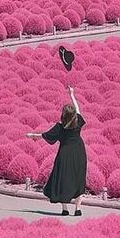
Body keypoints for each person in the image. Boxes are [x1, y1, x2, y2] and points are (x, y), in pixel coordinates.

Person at [26, 86, 86, 216]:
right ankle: (78, 209)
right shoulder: (78, 120)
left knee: (64, 178)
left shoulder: (60, 127)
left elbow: (44, 135)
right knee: (79, 178)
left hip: (64, 154)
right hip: (79, 152)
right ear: (74, 114)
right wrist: (72, 94)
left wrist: (32, 136)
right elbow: (77, 108)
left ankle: (65, 209)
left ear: (63, 115)